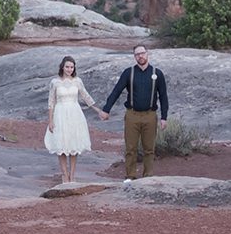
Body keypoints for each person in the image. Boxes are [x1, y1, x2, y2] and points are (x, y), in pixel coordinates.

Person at [101, 44, 168, 181]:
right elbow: (116, 91)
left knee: (149, 148)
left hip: (150, 115)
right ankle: (130, 176)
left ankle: (148, 176)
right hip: (132, 115)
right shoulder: (128, 73)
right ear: (134, 57)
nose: (140, 56)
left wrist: (164, 117)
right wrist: (106, 109)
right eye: (137, 54)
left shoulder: (157, 73)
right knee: (131, 148)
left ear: (147, 53)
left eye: (142, 53)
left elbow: (163, 96)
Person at [44, 55, 102, 183]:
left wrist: (98, 110)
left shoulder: (77, 81)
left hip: (75, 113)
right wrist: (50, 120)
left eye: (71, 67)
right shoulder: (55, 82)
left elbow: (86, 97)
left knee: (74, 143)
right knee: (62, 144)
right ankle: (64, 174)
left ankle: (72, 175)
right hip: (60, 113)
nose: (69, 69)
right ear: (62, 67)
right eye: (67, 67)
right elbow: (51, 102)